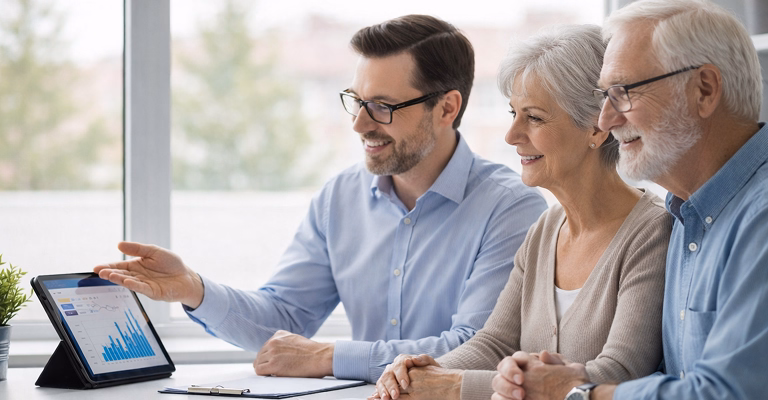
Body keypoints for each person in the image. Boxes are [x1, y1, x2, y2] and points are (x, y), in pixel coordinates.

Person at [94, 15, 547, 383]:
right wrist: (192, 289)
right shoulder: (340, 198)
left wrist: (330, 356)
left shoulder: (511, 209)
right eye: (356, 101)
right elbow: (284, 317)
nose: (360, 125)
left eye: (383, 107)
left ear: (447, 108)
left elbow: (475, 348)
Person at [372, 24, 673, 400]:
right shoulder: (547, 227)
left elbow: (619, 373)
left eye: (533, 117)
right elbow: (495, 343)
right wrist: (424, 370)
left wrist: (453, 386)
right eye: (514, 113)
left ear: (597, 128)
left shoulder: (653, 233)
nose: (511, 135)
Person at [491, 1, 768, 399]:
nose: (605, 119)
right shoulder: (688, 216)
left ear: (703, 90)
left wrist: (580, 391)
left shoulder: (757, 218)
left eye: (623, 93)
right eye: (605, 96)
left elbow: (724, 393)